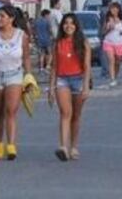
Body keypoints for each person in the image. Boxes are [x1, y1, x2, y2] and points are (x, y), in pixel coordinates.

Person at [0, 5, 32, 160]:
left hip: (14, 76)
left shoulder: (21, 35)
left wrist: (28, 76)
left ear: (11, 19)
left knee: (11, 111)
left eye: (3, 16)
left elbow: (26, 58)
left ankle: (11, 144)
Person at [47, 13, 91, 162]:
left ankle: (74, 146)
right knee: (66, 113)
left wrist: (86, 87)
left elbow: (87, 66)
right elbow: (54, 66)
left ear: (76, 26)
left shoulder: (83, 42)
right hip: (62, 80)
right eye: (66, 23)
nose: (68, 26)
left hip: (78, 79)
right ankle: (63, 147)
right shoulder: (57, 43)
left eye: (72, 23)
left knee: (76, 115)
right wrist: (51, 88)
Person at [102, 2, 122, 87]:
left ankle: (115, 77)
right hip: (109, 42)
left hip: (119, 43)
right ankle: (112, 79)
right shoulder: (108, 19)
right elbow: (103, 32)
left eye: (116, 8)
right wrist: (109, 29)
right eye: (112, 8)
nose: (114, 10)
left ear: (119, 10)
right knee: (111, 60)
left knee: (118, 62)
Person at [34, 10, 53, 75]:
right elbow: (50, 30)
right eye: (48, 15)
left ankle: (41, 68)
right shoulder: (47, 21)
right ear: (46, 15)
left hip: (39, 40)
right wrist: (51, 35)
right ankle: (47, 67)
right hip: (47, 40)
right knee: (49, 54)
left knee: (41, 55)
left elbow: (34, 30)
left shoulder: (37, 21)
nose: (49, 16)